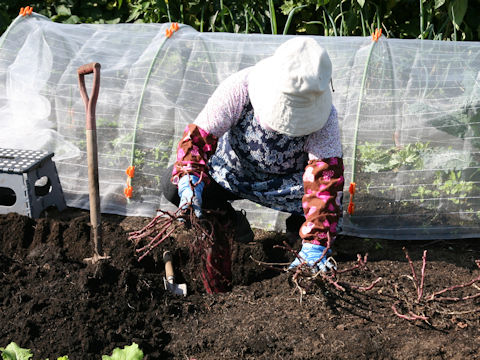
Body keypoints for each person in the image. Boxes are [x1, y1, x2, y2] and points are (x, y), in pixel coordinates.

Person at [161, 36, 344, 275]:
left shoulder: (326, 119)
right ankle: (227, 221)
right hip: (231, 172)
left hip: (287, 188)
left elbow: (325, 181)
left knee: (321, 229)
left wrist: (317, 240)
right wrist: (189, 178)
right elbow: (198, 138)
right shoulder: (240, 87)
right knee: (172, 186)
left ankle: (294, 237)